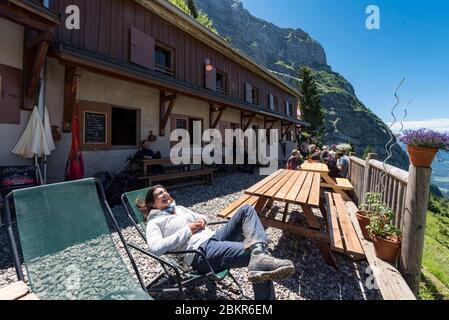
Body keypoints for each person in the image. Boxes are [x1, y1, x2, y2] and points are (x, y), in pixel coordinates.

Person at [138, 185, 295, 300]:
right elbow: (155, 248)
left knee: (246, 209)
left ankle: (259, 253)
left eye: (165, 191)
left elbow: (202, 216)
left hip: (214, 238)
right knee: (252, 256)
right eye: (160, 193)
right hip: (200, 252)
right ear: (152, 204)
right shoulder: (155, 222)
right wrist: (187, 230)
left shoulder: (178, 208)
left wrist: (201, 220)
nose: (165, 194)